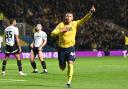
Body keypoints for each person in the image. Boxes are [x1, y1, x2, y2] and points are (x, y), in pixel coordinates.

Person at [51, 5, 96, 88]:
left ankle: (68, 82)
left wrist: (90, 13)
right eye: (66, 16)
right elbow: (52, 33)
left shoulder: (75, 23)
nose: (68, 17)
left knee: (70, 63)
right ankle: (62, 65)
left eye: (70, 16)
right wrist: (61, 31)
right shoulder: (61, 25)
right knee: (62, 67)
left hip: (71, 48)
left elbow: (84, 20)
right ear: (64, 17)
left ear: (72, 18)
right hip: (61, 48)